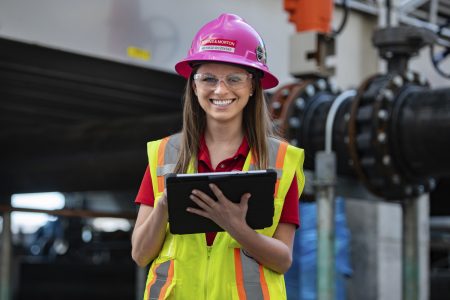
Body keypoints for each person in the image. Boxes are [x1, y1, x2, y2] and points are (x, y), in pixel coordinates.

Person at [131, 13, 305, 299]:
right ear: (194, 86)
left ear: (252, 86)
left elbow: (283, 259)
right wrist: (164, 204)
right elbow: (139, 254)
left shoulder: (281, 160)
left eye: (234, 78)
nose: (220, 89)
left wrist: (236, 227)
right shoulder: (165, 154)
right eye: (208, 78)